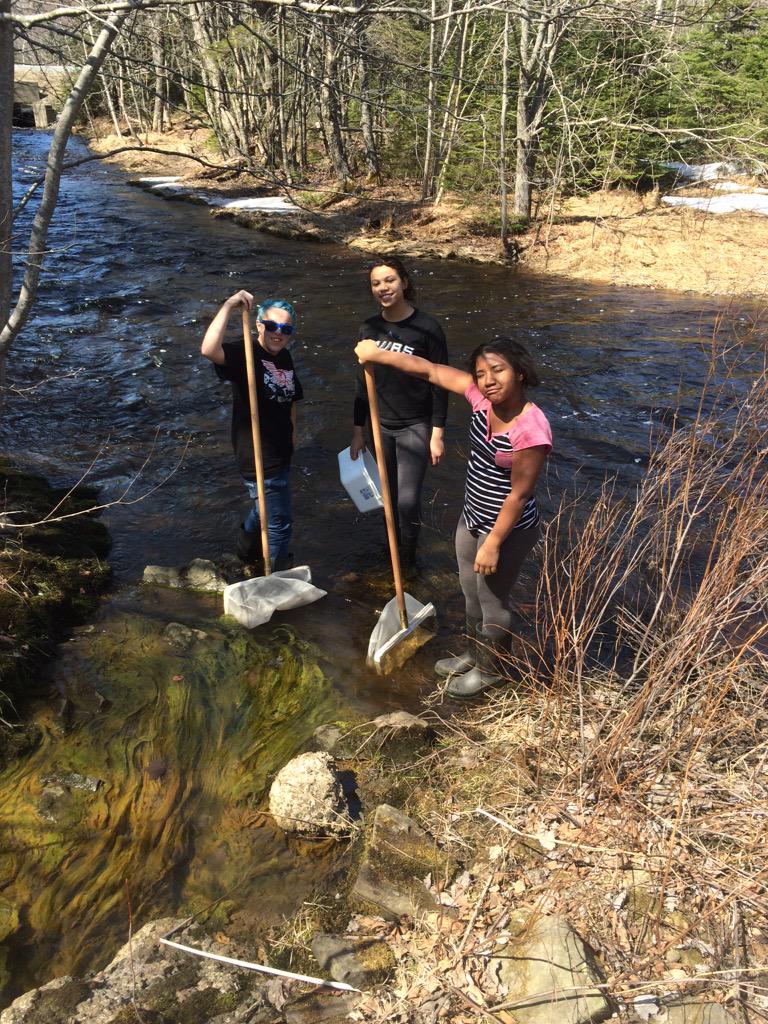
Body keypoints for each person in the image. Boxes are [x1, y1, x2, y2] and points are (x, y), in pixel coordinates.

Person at [354, 335, 552, 699]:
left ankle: (492, 670)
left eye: (498, 370)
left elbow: (519, 494)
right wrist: (379, 355)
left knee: (492, 602)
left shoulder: (531, 428)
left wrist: (493, 543)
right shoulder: (480, 399)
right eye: (480, 373)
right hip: (472, 515)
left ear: (520, 373)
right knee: (470, 594)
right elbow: (429, 370)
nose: (488, 380)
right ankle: (475, 653)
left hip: (506, 530)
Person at [350, 257, 448, 565]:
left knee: (407, 500)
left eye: (389, 280)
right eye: (376, 283)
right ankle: (392, 548)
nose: (383, 288)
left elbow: (441, 381)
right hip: (381, 425)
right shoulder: (370, 327)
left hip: (415, 425)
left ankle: (408, 556)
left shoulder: (427, 328)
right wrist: (358, 431)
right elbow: (361, 381)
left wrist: (437, 433)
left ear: (404, 283)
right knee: (387, 498)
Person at [201, 290, 302, 569]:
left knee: (264, 507)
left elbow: (291, 397)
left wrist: (293, 431)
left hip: (282, 449)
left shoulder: (285, 357)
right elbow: (208, 350)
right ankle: (278, 577)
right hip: (257, 452)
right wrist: (229, 304)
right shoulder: (245, 353)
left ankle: (246, 553)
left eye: (286, 329)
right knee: (280, 523)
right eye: (271, 326)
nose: (278, 333)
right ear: (259, 325)